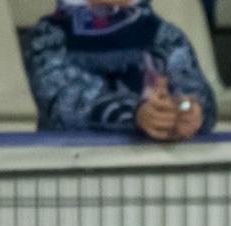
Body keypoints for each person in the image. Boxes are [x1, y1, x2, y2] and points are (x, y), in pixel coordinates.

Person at [22, 0, 216, 140]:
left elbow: (199, 98)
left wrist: (187, 112)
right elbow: (64, 103)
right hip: (73, 170)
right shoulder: (50, 36)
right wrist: (137, 114)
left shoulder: (165, 35)